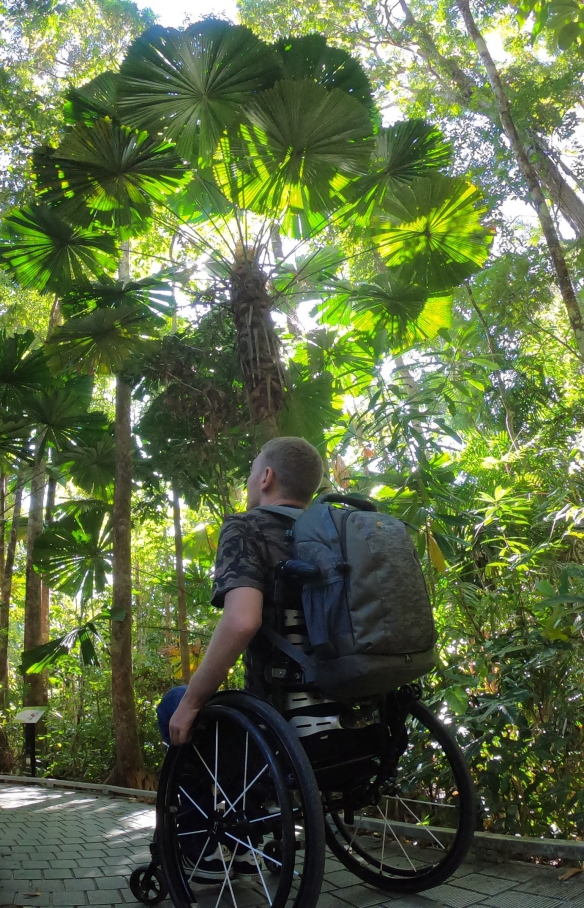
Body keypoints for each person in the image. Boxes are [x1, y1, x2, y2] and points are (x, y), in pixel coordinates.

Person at [155, 436, 323, 882]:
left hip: (279, 717)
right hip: (352, 709)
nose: (250, 480)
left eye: (252, 471)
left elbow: (242, 621)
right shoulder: (335, 534)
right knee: (224, 717)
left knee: (176, 706)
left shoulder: (247, 527)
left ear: (266, 478)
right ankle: (250, 836)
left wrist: (192, 702)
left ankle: (205, 849)